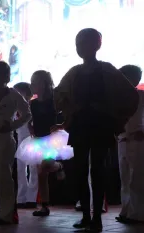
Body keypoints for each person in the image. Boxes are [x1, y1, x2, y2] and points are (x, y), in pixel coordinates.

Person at [54, 28, 139, 231]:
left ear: (97, 45)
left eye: (85, 42)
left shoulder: (107, 69)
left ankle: (97, 219)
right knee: (80, 170)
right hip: (81, 125)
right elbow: (59, 93)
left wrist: (115, 115)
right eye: (78, 43)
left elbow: (130, 95)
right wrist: (70, 109)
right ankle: (86, 215)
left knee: (98, 170)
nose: (81, 47)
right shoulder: (74, 72)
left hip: (100, 125)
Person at [0, 61, 31, 225]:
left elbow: (27, 114)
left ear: (6, 77)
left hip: (5, 139)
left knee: (4, 177)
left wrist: (12, 125)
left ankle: (6, 213)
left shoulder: (13, 95)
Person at [25, 71, 65, 217]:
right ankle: (44, 206)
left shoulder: (55, 100)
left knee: (44, 167)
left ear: (44, 84)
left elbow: (67, 113)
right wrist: (30, 127)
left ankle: (59, 166)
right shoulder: (33, 103)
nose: (32, 85)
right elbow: (29, 119)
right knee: (41, 174)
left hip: (53, 139)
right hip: (39, 139)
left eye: (35, 82)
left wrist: (61, 125)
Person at [116, 65, 144, 224]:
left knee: (136, 178)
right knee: (125, 177)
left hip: (138, 139)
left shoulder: (141, 95)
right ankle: (126, 211)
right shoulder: (116, 98)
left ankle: (137, 214)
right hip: (122, 139)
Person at [13, 82, 38, 209]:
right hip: (21, 141)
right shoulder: (13, 109)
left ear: (27, 94)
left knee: (33, 168)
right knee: (20, 169)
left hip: (33, 140)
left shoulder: (34, 106)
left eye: (18, 92)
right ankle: (21, 198)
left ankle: (31, 198)